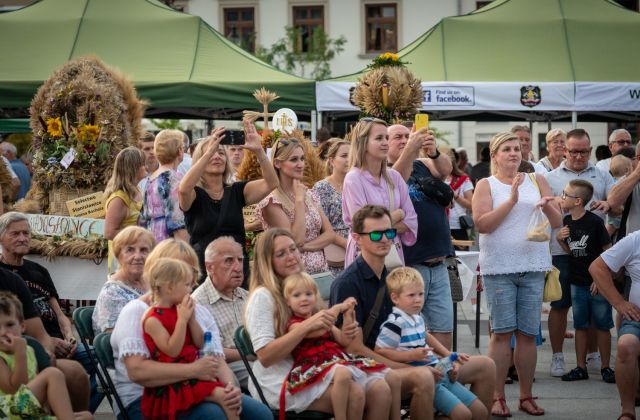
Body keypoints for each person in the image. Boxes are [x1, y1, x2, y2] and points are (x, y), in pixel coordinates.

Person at [331, 205, 496, 420]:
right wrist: (410, 366)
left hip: (411, 359)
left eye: (389, 232)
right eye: (375, 234)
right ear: (357, 238)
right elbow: (355, 349)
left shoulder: (392, 276)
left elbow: (414, 325)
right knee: (425, 377)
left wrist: (445, 357)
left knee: (485, 366)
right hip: (373, 367)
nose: (384, 239)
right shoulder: (348, 284)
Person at [245, 227, 398, 418]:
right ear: (267, 262)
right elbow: (265, 356)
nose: (291, 256)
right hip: (282, 377)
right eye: (281, 254)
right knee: (355, 393)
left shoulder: (303, 287)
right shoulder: (263, 296)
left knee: (381, 389)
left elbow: (333, 335)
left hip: (317, 366)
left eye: (293, 249)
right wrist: (307, 326)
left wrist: (347, 327)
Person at [110, 239, 272, 420]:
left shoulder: (198, 312)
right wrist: (193, 370)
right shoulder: (137, 311)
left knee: (260, 414)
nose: (190, 281)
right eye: (180, 272)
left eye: (191, 272)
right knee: (213, 416)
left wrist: (230, 388)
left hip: (196, 386)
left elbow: (216, 360)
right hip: (147, 397)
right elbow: (137, 371)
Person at [472, 131, 561, 417]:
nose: (513, 153)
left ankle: (526, 396)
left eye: (517, 148)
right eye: (506, 149)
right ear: (494, 155)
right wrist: (511, 200)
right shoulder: (486, 185)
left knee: (527, 334)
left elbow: (558, 222)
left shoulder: (537, 179)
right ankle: (497, 397)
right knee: (501, 334)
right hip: (499, 268)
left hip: (533, 265)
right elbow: (482, 225)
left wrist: (547, 203)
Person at [0, 211, 101, 411]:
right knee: (73, 373)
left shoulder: (38, 270)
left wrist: (69, 335)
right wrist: (47, 345)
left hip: (59, 341)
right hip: (28, 346)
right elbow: (23, 329)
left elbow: (59, 311)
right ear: (1, 238)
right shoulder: (8, 278)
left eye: (26, 233)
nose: (23, 238)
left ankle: (79, 412)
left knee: (111, 357)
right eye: (15, 234)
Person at [543, 128, 615, 377]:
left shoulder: (602, 175)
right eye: (573, 151)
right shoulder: (550, 177)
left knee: (594, 304)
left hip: (594, 252)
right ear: (564, 150)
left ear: (591, 150)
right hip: (561, 251)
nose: (579, 156)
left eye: (584, 152)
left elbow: (616, 206)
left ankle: (594, 356)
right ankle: (558, 357)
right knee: (560, 304)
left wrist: (608, 209)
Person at [281, 272, 397, 420]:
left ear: (315, 297)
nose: (303, 298)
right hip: (312, 364)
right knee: (343, 373)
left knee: (388, 376)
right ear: (288, 302)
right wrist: (337, 308)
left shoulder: (323, 318)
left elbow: (343, 340)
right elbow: (314, 331)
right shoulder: (294, 324)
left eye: (308, 294)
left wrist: (348, 316)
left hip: (335, 360)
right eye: (297, 295)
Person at [375, 267, 485, 420]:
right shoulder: (394, 324)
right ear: (395, 298)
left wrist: (449, 358)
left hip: (440, 373)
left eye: (420, 294)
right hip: (428, 380)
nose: (418, 299)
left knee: (480, 412)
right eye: (411, 295)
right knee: (463, 415)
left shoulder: (417, 318)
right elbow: (380, 351)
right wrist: (409, 355)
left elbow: (425, 338)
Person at [179, 121, 278, 282]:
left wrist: (259, 151)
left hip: (238, 272)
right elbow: (183, 189)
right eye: (212, 153)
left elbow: (271, 183)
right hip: (205, 274)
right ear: (201, 159)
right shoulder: (194, 194)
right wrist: (208, 151)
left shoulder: (237, 191)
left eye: (221, 153)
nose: (217, 156)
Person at [386, 123, 455, 349]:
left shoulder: (422, 164)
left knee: (444, 326)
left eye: (408, 135)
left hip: (439, 261)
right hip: (410, 262)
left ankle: (442, 376)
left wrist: (433, 152)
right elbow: (395, 178)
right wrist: (410, 150)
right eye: (398, 136)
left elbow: (446, 169)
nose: (406, 139)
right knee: (412, 328)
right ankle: (421, 377)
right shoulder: (385, 171)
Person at [142, 258, 235, 420]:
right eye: (186, 285)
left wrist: (191, 320)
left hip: (195, 376)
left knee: (230, 399)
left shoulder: (181, 310)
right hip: (174, 384)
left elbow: (200, 343)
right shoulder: (152, 319)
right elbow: (172, 350)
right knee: (226, 398)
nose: (190, 290)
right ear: (169, 287)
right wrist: (182, 320)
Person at [0, 267, 90, 413]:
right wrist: (21, 354)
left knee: (72, 372)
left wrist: (45, 355)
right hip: (9, 407)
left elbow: (40, 334)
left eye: (9, 325)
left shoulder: (12, 280)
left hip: (24, 397)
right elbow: (15, 390)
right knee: (52, 375)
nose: (4, 332)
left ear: (21, 326)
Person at [556, 179, 615, 383]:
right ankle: (581, 367)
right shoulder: (567, 221)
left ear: (578, 201)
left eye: (565, 195)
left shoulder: (595, 222)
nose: (562, 198)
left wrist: (601, 280)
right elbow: (573, 251)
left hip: (597, 283)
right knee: (580, 325)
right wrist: (560, 240)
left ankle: (607, 367)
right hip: (576, 280)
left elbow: (608, 252)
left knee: (602, 324)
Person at [342, 118, 418, 268]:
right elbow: (364, 226)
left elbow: (411, 221)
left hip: (393, 254)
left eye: (386, 138)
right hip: (365, 257)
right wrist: (398, 214)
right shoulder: (353, 179)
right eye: (378, 138)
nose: (385, 142)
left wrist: (379, 227)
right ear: (363, 143)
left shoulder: (394, 177)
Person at [256, 137, 335, 275]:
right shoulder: (271, 201)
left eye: (302, 159)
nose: (300, 164)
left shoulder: (309, 194)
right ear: (277, 163)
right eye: (294, 160)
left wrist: (305, 247)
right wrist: (299, 201)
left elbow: (329, 234)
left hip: (321, 274)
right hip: (291, 276)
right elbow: (295, 240)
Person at [589, 230, 640, 420]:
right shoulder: (636, 239)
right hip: (637, 318)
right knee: (626, 345)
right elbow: (597, 267)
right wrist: (619, 303)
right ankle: (627, 411)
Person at [191, 236, 249, 388]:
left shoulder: (246, 295)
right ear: (210, 267)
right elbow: (207, 349)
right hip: (227, 367)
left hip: (255, 358)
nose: (237, 267)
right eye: (229, 261)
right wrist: (251, 355)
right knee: (267, 374)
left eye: (240, 260)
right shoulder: (198, 304)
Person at [92, 226, 155, 334]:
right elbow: (116, 339)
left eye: (144, 250)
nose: (138, 256)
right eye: (130, 250)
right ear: (118, 254)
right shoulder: (111, 292)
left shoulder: (154, 284)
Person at [139, 129, 188, 243]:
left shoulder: (152, 178)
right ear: (180, 151)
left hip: (153, 238)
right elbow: (177, 221)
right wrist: (185, 251)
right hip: (168, 242)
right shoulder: (172, 178)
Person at [104, 146, 147, 273]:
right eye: (142, 165)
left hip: (135, 255)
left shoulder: (136, 190)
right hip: (123, 259)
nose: (146, 167)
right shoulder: (119, 198)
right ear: (133, 168)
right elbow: (109, 232)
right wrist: (137, 236)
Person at [311, 139, 350, 275]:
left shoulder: (358, 184)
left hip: (360, 248)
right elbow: (320, 225)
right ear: (332, 160)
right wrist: (348, 244)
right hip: (334, 252)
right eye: (344, 156)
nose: (349, 160)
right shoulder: (321, 187)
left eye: (352, 155)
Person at [608, 142, 640, 238]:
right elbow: (612, 202)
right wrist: (637, 174)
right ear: (638, 158)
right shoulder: (631, 180)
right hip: (635, 246)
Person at [447, 149, 474, 247]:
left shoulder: (463, 180)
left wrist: (455, 195)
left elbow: (471, 205)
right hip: (439, 227)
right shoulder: (433, 179)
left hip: (458, 227)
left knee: (461, 260)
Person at [606, 155, 633, 237]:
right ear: (627, 170)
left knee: (610, 229)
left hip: (611, 215)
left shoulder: (613, 182)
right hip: (619, 215)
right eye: (632, 166)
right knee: (610, 232)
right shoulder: (625, 180)